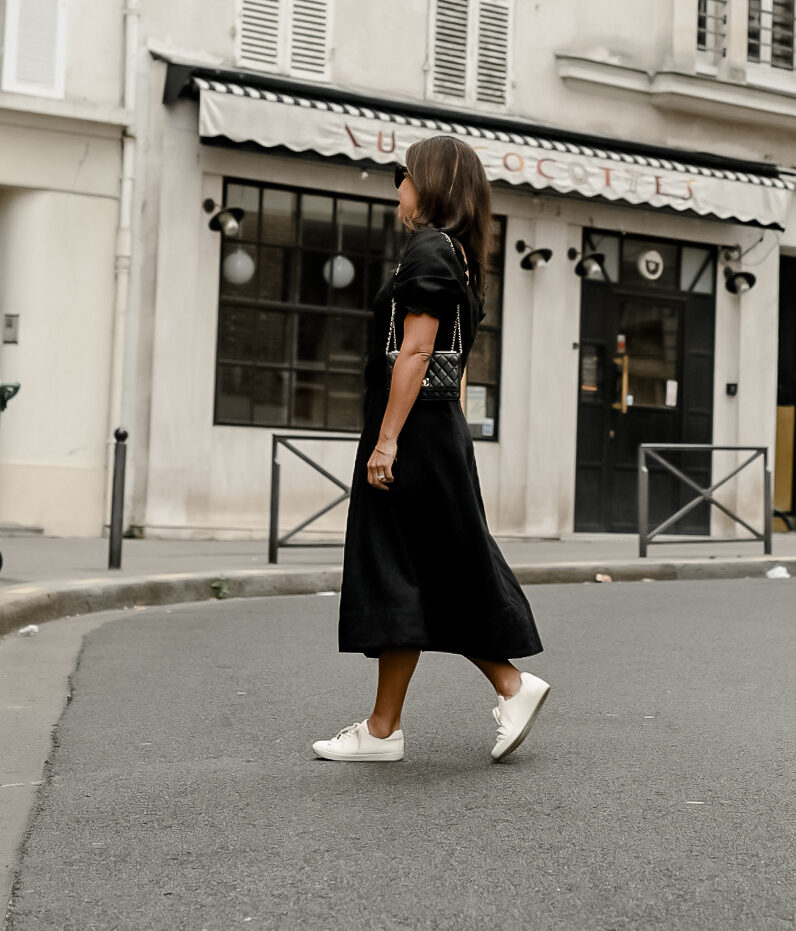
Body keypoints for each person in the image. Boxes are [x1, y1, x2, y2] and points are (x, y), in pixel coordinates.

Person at [312, 135, 548, 764]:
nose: (399, 186)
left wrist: (388, 441)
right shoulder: (460, 256)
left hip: (413, 433)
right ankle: (384, 728)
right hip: (435, 431)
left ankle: (507, 686)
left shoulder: (430, 249)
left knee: (413, 566)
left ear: (433, 183)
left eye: (406, 174)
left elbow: (416, 351)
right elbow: (455, 362)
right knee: (417, 568)